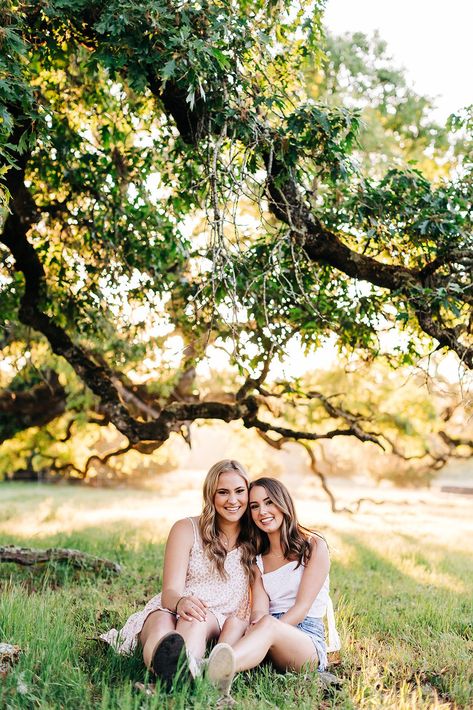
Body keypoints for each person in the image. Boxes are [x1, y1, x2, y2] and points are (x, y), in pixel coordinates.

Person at [100, 460, 253, 687]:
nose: (233, 500)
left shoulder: (256, 538)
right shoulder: (186, 529)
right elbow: (169, 591)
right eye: (223, 492)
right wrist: (180, 602)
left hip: (211, 615)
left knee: (195, 619)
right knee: (161, 625)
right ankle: (168, 676)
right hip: (173, 605)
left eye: (240, 491)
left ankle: (171, 677)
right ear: (210, 495)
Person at [207, 477, 340, 696]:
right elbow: (260, 609)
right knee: (234, 622)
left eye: (269, 502)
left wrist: (266, 628)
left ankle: (205, 668)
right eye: (254, 506)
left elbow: (302, 608)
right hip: (267, 636)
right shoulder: (257, 558)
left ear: (283, 503)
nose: (262, 512)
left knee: (267, 625)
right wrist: (257, 625)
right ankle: (217, 679)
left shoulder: (314, 545)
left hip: (305, 642)